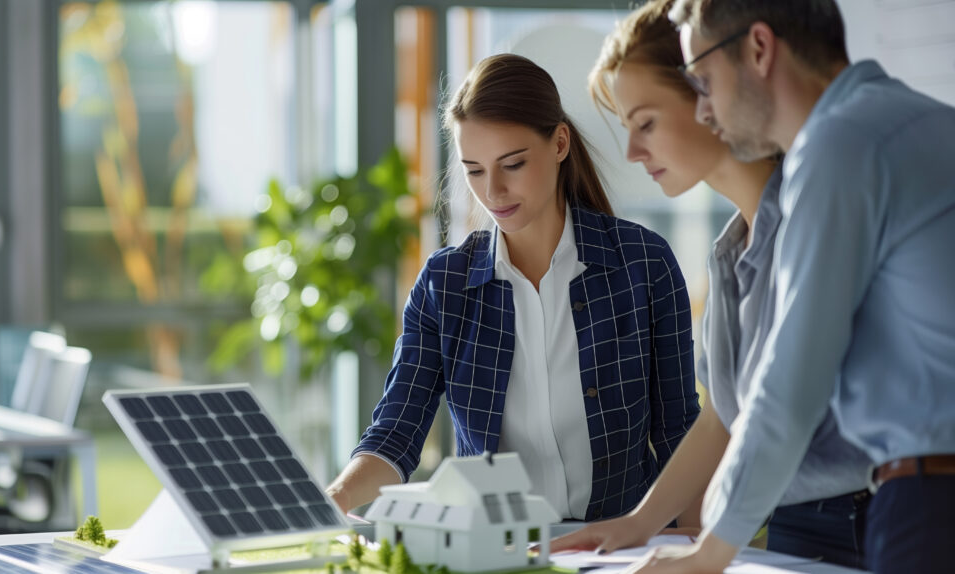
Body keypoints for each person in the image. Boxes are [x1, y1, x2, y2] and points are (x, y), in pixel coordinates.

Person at [587, 1, 955, 572]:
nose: (706, 109)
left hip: (924, 501)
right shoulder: (910, 121)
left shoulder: (840, 145)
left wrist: (709, 552)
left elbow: (790, 383)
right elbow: (735, 411)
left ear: (759, 49)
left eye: (703, 82)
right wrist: (647, 522)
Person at [325, 53, 700, 522]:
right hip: (493, 551)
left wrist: (700, 551)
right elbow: (395, 434)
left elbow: (678, 435)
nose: (493, 191)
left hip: (619, 549)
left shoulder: (643, 264)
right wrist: (328, 503)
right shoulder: (446, 285)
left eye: (513, 164)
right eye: (474, 170)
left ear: (559, 143)